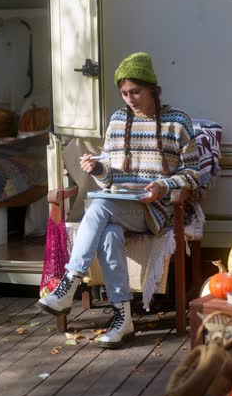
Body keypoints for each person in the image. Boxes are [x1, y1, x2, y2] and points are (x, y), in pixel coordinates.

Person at [39, 52, 200, 348]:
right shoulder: (117, 121)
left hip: (154, 209)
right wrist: (98, 169)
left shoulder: (177, 122)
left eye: (136, 91)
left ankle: (68, 284)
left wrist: (163, 187)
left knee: (99, 207)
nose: (130, 98)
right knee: (108, 232)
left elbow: (194, 173)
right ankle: (122, 317)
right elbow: (109, 176)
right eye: (124, 93)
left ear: (152, 87)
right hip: (118, 206)